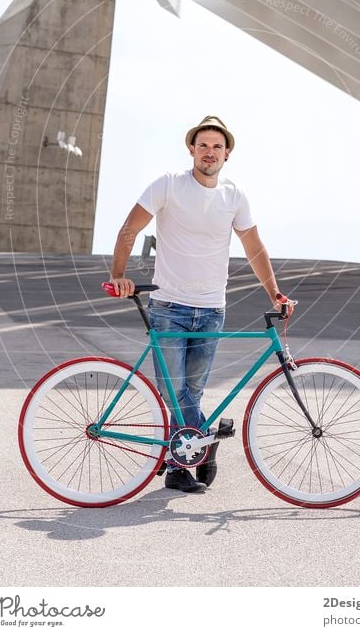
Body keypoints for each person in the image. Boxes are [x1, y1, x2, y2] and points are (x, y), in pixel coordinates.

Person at [109, 116, 293, 493]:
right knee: (173, 392)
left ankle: (186, 456)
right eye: (203, 145)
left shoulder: (234, 196)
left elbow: (254, 248)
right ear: (192, 149)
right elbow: (130, 228)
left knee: (191, 393)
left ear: (227, 154)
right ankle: (200, 447)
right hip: (169, 306)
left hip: (212, 308)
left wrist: (275, 291)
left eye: (217, 146)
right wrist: (118, 275)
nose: (210, 152)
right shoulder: (168, 185)